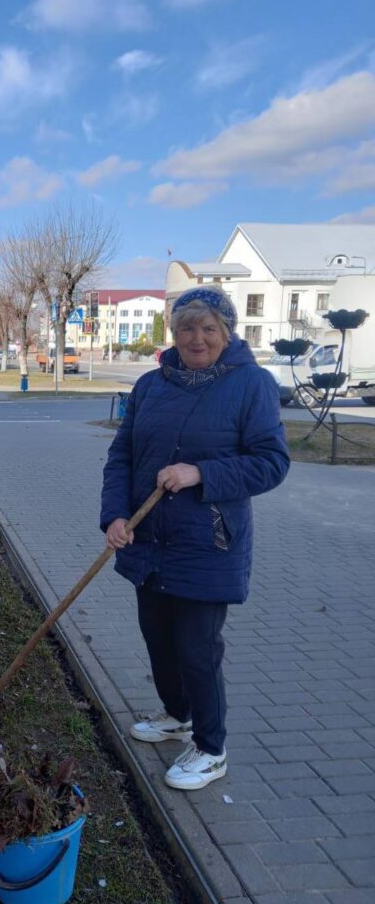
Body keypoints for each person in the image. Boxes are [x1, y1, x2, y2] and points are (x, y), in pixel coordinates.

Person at [101, 288, 289, 791]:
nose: (197, 338)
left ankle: (210, 748)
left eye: (209, 328)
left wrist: (200, 473)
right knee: (158, 639)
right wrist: (114, 516)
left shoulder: (251, 384)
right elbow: (122, 456)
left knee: (197, 650)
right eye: (187, 327)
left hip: (209, 544)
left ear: (226, 333)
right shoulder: (151, 385)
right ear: (174, 333)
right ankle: (177, 715)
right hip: (148, 540)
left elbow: (271, 463)